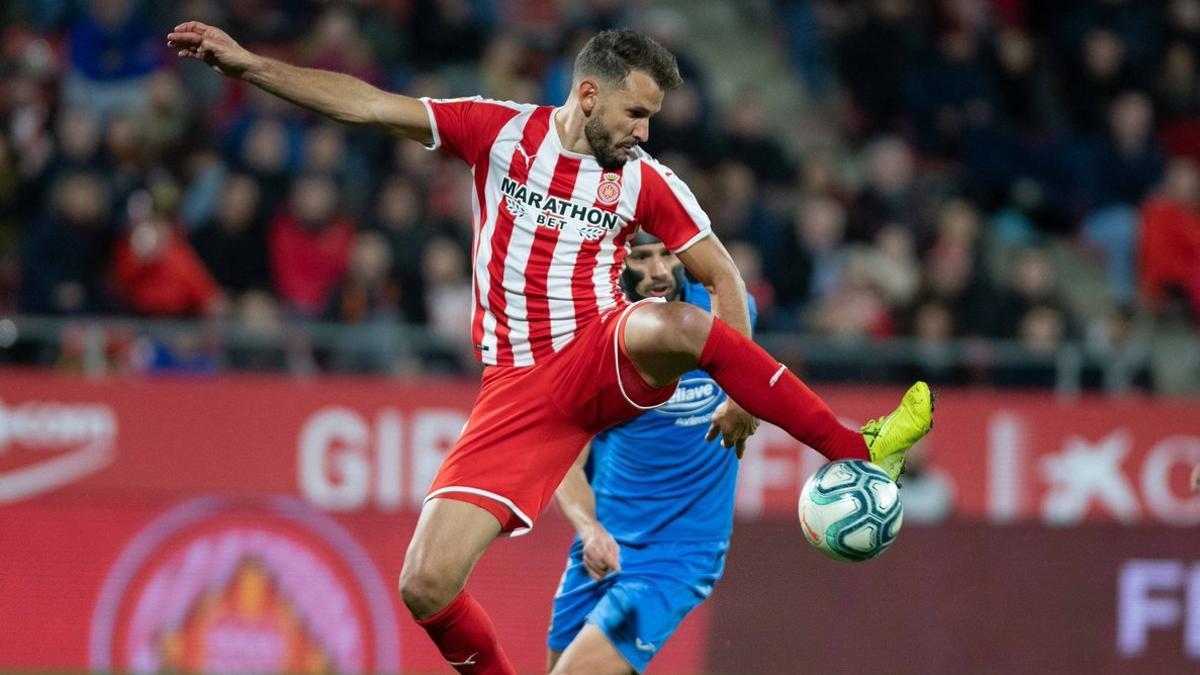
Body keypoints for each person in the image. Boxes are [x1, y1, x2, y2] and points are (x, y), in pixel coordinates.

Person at [168, 23, 934, 674]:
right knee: (426, 585)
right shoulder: (497, 132)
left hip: (602, 346)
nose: (644, 133)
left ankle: (858, 447)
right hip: (519, 390)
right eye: (636, 114)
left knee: (680, 326)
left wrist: (738, 395)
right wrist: (255, 67)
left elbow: (724, 278)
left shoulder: (648, 180)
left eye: (653, 119)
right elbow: (370, 108)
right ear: (591, 95)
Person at [547, 232, 755, 673]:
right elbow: (566, 461)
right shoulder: (595, 340)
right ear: (616, 263)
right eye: (641, 258)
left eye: (668, 255)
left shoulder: (727, 312)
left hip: (680, 553)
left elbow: (760, 377)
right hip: (603, 546)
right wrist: (589, 530)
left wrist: (745, 398)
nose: (659, 271)